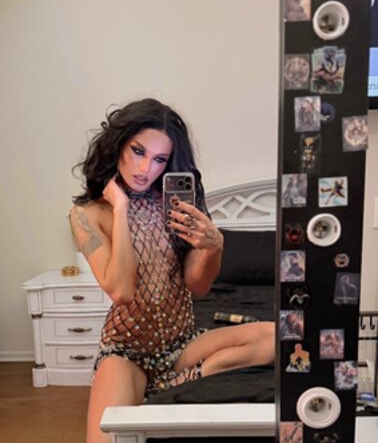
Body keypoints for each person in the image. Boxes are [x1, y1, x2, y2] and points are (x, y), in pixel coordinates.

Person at [69, 98, 275, 443]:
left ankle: (179, 380)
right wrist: (121, 210)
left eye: (159, 159)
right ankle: (164, 384)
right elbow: (121, 291)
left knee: (276, 338)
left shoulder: (175, 206)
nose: (145, 168)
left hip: (182, 342)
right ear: (118, 145)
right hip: (127, 349)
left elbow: (197, 286)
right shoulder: (87, 215)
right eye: (138, 151)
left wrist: (214, 246)